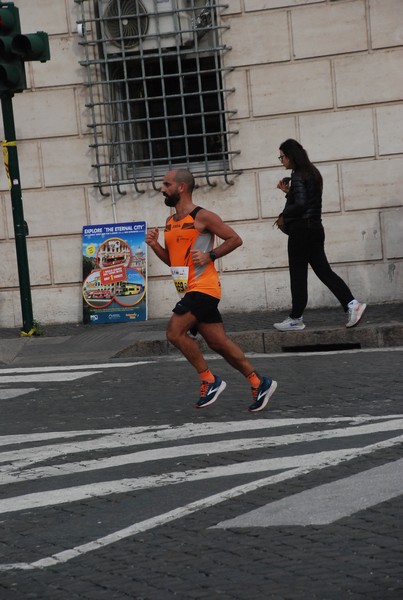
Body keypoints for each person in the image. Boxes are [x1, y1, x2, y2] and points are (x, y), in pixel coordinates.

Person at [146, 168, 277, 412]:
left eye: (166, 184)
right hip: (188, 290)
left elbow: (235, 239)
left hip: (204, 288)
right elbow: (173, 261)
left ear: (181, 188)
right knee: (219, 343)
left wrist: (210, 255)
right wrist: (154, 245)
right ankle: (259, 382)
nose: (162, 189)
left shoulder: (202, 217)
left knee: (174, 333)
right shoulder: (169, 223)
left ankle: (209, 380)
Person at [273, 138, 367, 331]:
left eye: (282, 157)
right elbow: (307, 201)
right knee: (324, 272)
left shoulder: (298, 175)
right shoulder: (313, 173)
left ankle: (295, 318)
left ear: (290, 156)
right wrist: (288, 192)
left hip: (301, 230)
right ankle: (352, 304)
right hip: (315, 228)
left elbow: (300, 205)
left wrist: (284, 214)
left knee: (298, 275)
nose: (281, 160)